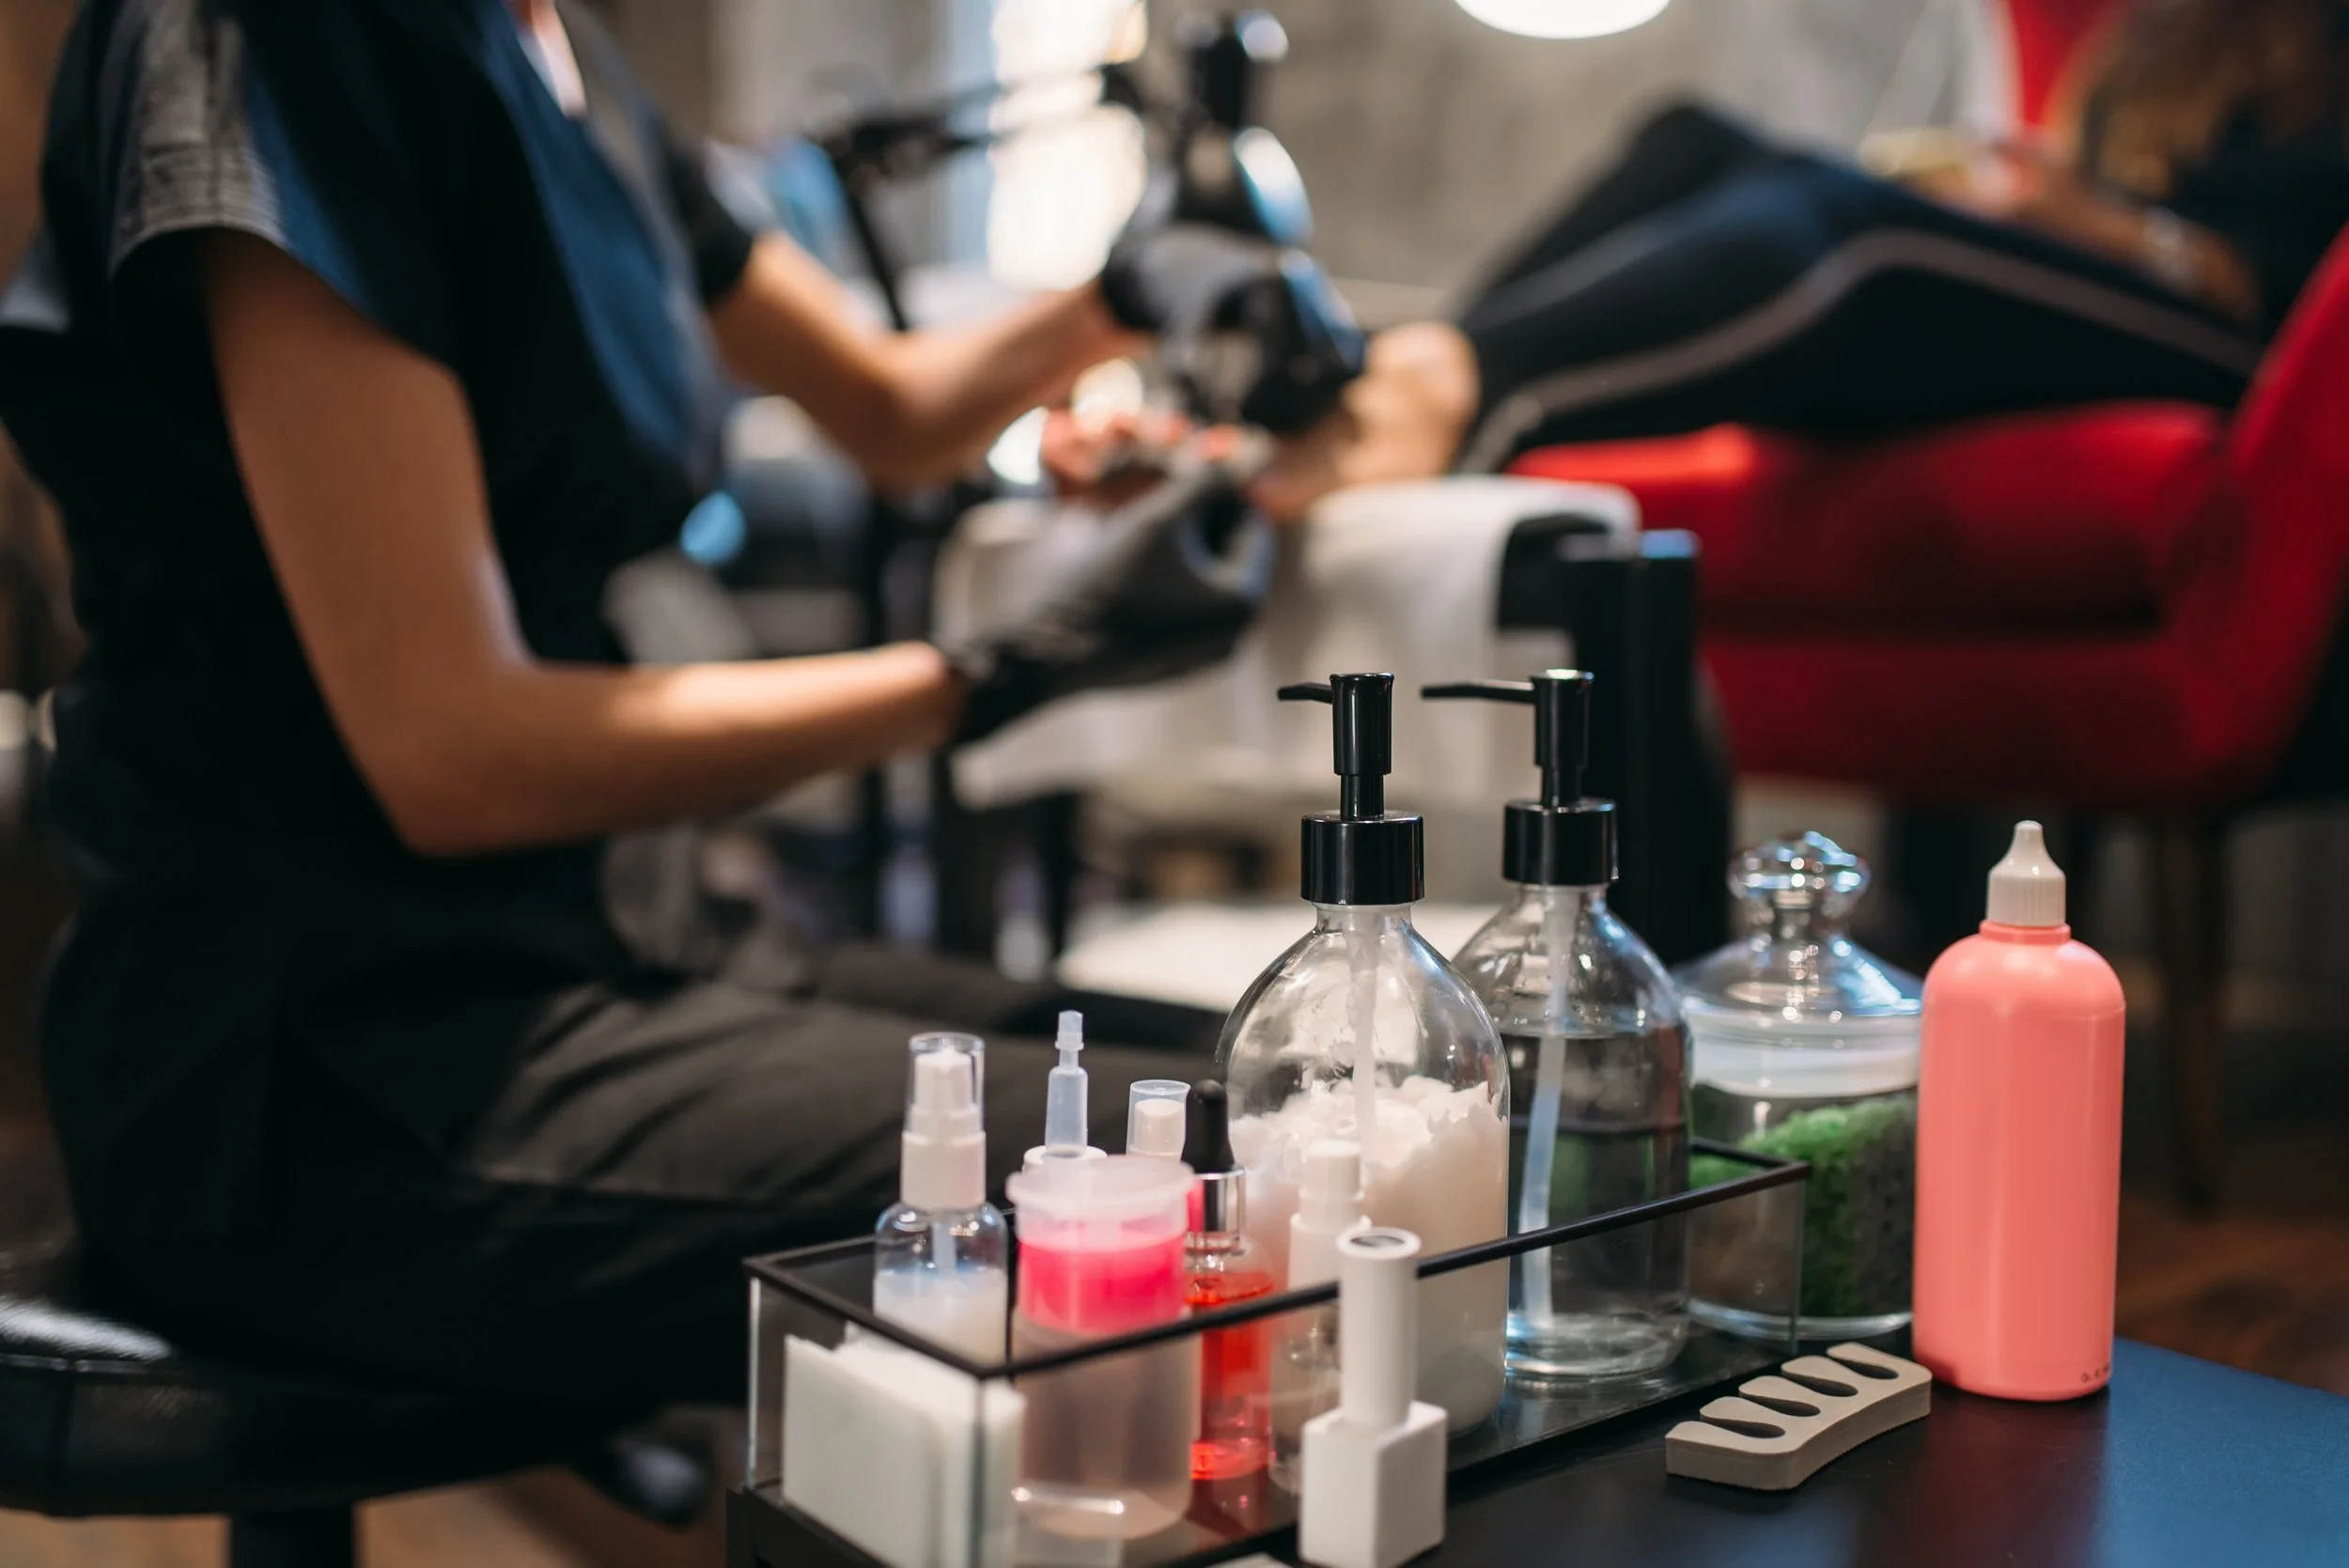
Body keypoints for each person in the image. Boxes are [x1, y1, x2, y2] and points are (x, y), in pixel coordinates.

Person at [0, 0, 1304, 1410]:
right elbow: (453, 753)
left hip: (614, 937)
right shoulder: (291, 38)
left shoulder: (563, 59)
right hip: (326, 1056)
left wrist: (1134, 288)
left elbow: (894, 410)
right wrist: (1004, 670)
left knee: (1300, 1084)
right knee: (1251, 1169)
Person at [1060, 0, 2349, 521]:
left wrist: (2102, 223)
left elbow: (2279, 280)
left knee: (1854, 225)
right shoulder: (2166, 34)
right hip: (2092, 299)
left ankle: (1425, 399)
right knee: (1698, 140)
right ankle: (1401, 380)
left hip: (2260, 360)